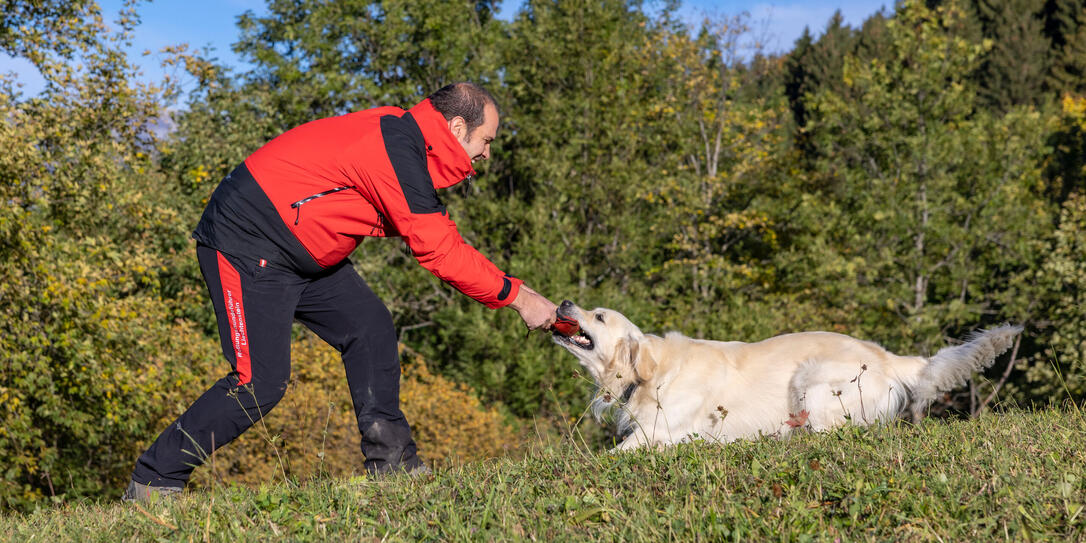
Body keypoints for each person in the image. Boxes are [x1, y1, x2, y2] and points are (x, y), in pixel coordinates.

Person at [123, 82, 558, 501]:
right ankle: (154, 479)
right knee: (259, 382)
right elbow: (441, 252)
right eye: (486, 139)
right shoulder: (399, 150)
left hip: (305, 251)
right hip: (247, 240)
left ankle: (395, 467)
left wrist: (518, 290)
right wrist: (519, 298)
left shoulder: (405, 136)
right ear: (457, 128)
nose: (486, 152)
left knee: (370, 328)